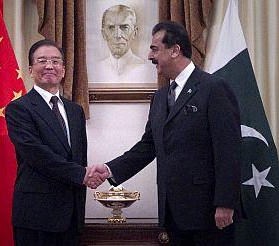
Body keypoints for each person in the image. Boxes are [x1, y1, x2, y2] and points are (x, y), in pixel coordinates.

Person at [87, 21, 242, 246]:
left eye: (154, 49)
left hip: (210, 213)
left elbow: (229, 149)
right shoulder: (160, 98)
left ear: (175, 50)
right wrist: (109, 169)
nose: (150, 56)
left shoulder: (214, 88)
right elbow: (148, 146)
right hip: (173, 214)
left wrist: (226, 203)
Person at [5, 39, 100, 246]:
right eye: (42, 61)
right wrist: (82, 174)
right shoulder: (18, 109)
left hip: (71, 218)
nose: (49, 66)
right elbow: (36, 155)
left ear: (63, 70)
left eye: (56, 61)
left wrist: (85, 174)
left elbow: (78, 157)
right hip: (36, 218)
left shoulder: (76, 111)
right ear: (31, 70)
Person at [92, 4, 155, 83]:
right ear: (103, 34)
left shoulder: (146, 68)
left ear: (135, 32)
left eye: (124, 27)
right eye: (111, 28)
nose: (117, 35)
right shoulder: (95, 69)